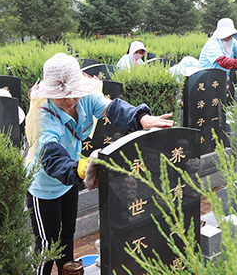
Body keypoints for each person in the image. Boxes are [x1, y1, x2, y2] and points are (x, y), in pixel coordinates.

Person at [25, 53, 173, 275]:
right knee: (47, 246)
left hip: (69, 182)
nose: (70, 100)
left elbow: (112, 109)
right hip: (44, 187)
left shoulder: (85, 99)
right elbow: (52, 157)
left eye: (74, 93)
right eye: (62, 96)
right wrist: (80, 168)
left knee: (67, 239)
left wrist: (141, 118)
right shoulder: (43, 116)